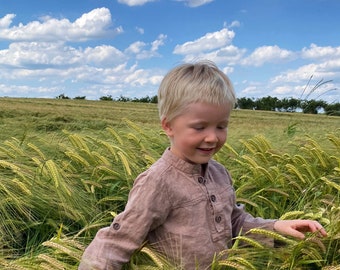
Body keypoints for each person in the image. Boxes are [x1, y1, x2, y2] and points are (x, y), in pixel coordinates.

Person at [79, 61, 327, 270]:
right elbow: (117, 242)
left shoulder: (219, 172)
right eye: (199, 127)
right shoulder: (157, 181)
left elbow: (234, 222)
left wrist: (276, 227)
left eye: (221, 126)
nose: (212, 137)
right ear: (168, 126)